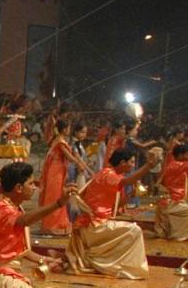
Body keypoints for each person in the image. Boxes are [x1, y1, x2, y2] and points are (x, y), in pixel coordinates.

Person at [66, 147, 159, 279]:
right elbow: (127, 181)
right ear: (122, 163)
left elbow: (117, 206)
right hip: (93, 226)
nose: (132, 166)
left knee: (131, 230)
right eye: (131, 162)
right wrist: (148, 166)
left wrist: (131, 194)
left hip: (99, 223)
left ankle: (115, 264)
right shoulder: (108, 174)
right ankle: (128, 268)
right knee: (135, 230)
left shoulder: (114, 176)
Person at [39, 119, 91, 236]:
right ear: (64, 129)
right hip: (55, 171)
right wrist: (79, 164)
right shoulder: (60, 141)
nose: (70, 130)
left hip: (59, 170)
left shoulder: (61, 140)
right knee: (54, 197)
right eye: (68, 127)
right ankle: (51, 225)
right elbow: (70, 157)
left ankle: (57, 224)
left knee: (59, 195)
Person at [156, 144, 188, 241]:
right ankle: (178, 235)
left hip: (165, 202)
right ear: (181, 155)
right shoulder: (182, 165)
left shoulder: (169, 164)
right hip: (174, 204)